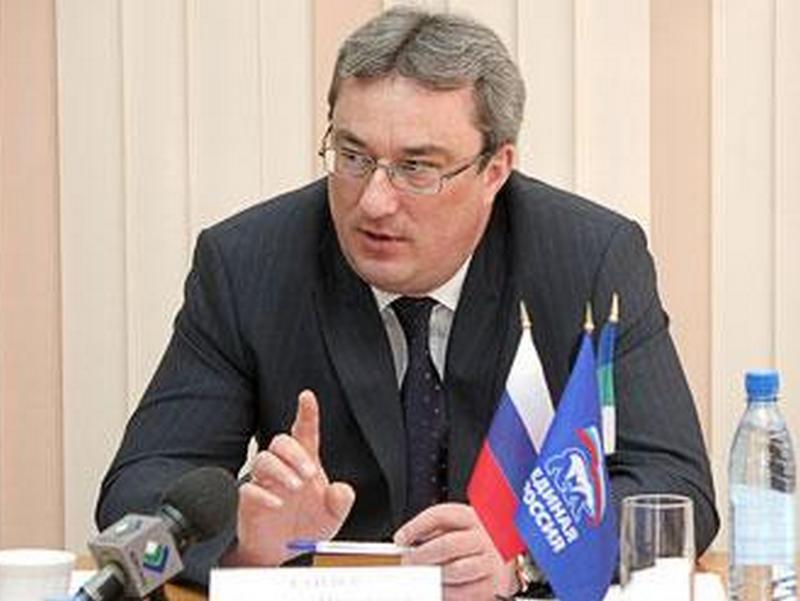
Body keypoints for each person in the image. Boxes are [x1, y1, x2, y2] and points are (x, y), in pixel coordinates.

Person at [96, 7, 719, 599]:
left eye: (417, 168)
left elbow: (675, 490)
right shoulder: (248, 264)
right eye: (353, 156)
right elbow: (137, 499)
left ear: (495, 169)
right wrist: (246, 546)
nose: (373, 202)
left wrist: (524, 557)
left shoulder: (589, 260)